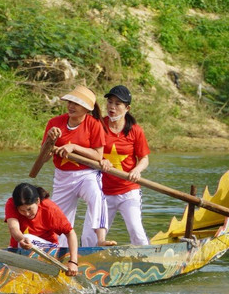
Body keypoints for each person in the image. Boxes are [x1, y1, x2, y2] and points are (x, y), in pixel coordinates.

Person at [29, 84, 106, 248]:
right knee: (58, 217)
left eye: (76, 103)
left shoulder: (94, 124)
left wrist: (74, 147)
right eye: (70, 102)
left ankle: (99, 241)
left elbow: (98, 155)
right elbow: (43, 158)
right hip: (62, 176)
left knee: (96, 197)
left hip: (87, 174)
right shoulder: (54, 123)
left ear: (86, 109)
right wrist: (50, 141)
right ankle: (60, 249)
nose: (71, 106)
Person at [95, 85, 151, 246]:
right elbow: (91, 151)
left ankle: (147, 260)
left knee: (136, 232)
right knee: (93, 237)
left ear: (127, 108)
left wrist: (136, 170)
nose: (112, 107)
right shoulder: (99, 126)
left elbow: (144, 159)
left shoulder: (135, 130)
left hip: (129, 190)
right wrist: (100, 160)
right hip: (102, 191)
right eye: (110, 102)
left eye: (118, 104)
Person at [4, 182, 80, 277]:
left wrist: (73, 262)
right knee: (23, 239)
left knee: (27, 237)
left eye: (29, 209)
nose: (27, 214)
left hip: (48, 249)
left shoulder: (49, 209)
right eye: (22, 210)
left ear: (38, 201)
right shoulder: (11, 204)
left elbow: (70, 233)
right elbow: (13, 227)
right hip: (20, 246)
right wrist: (21, 239)